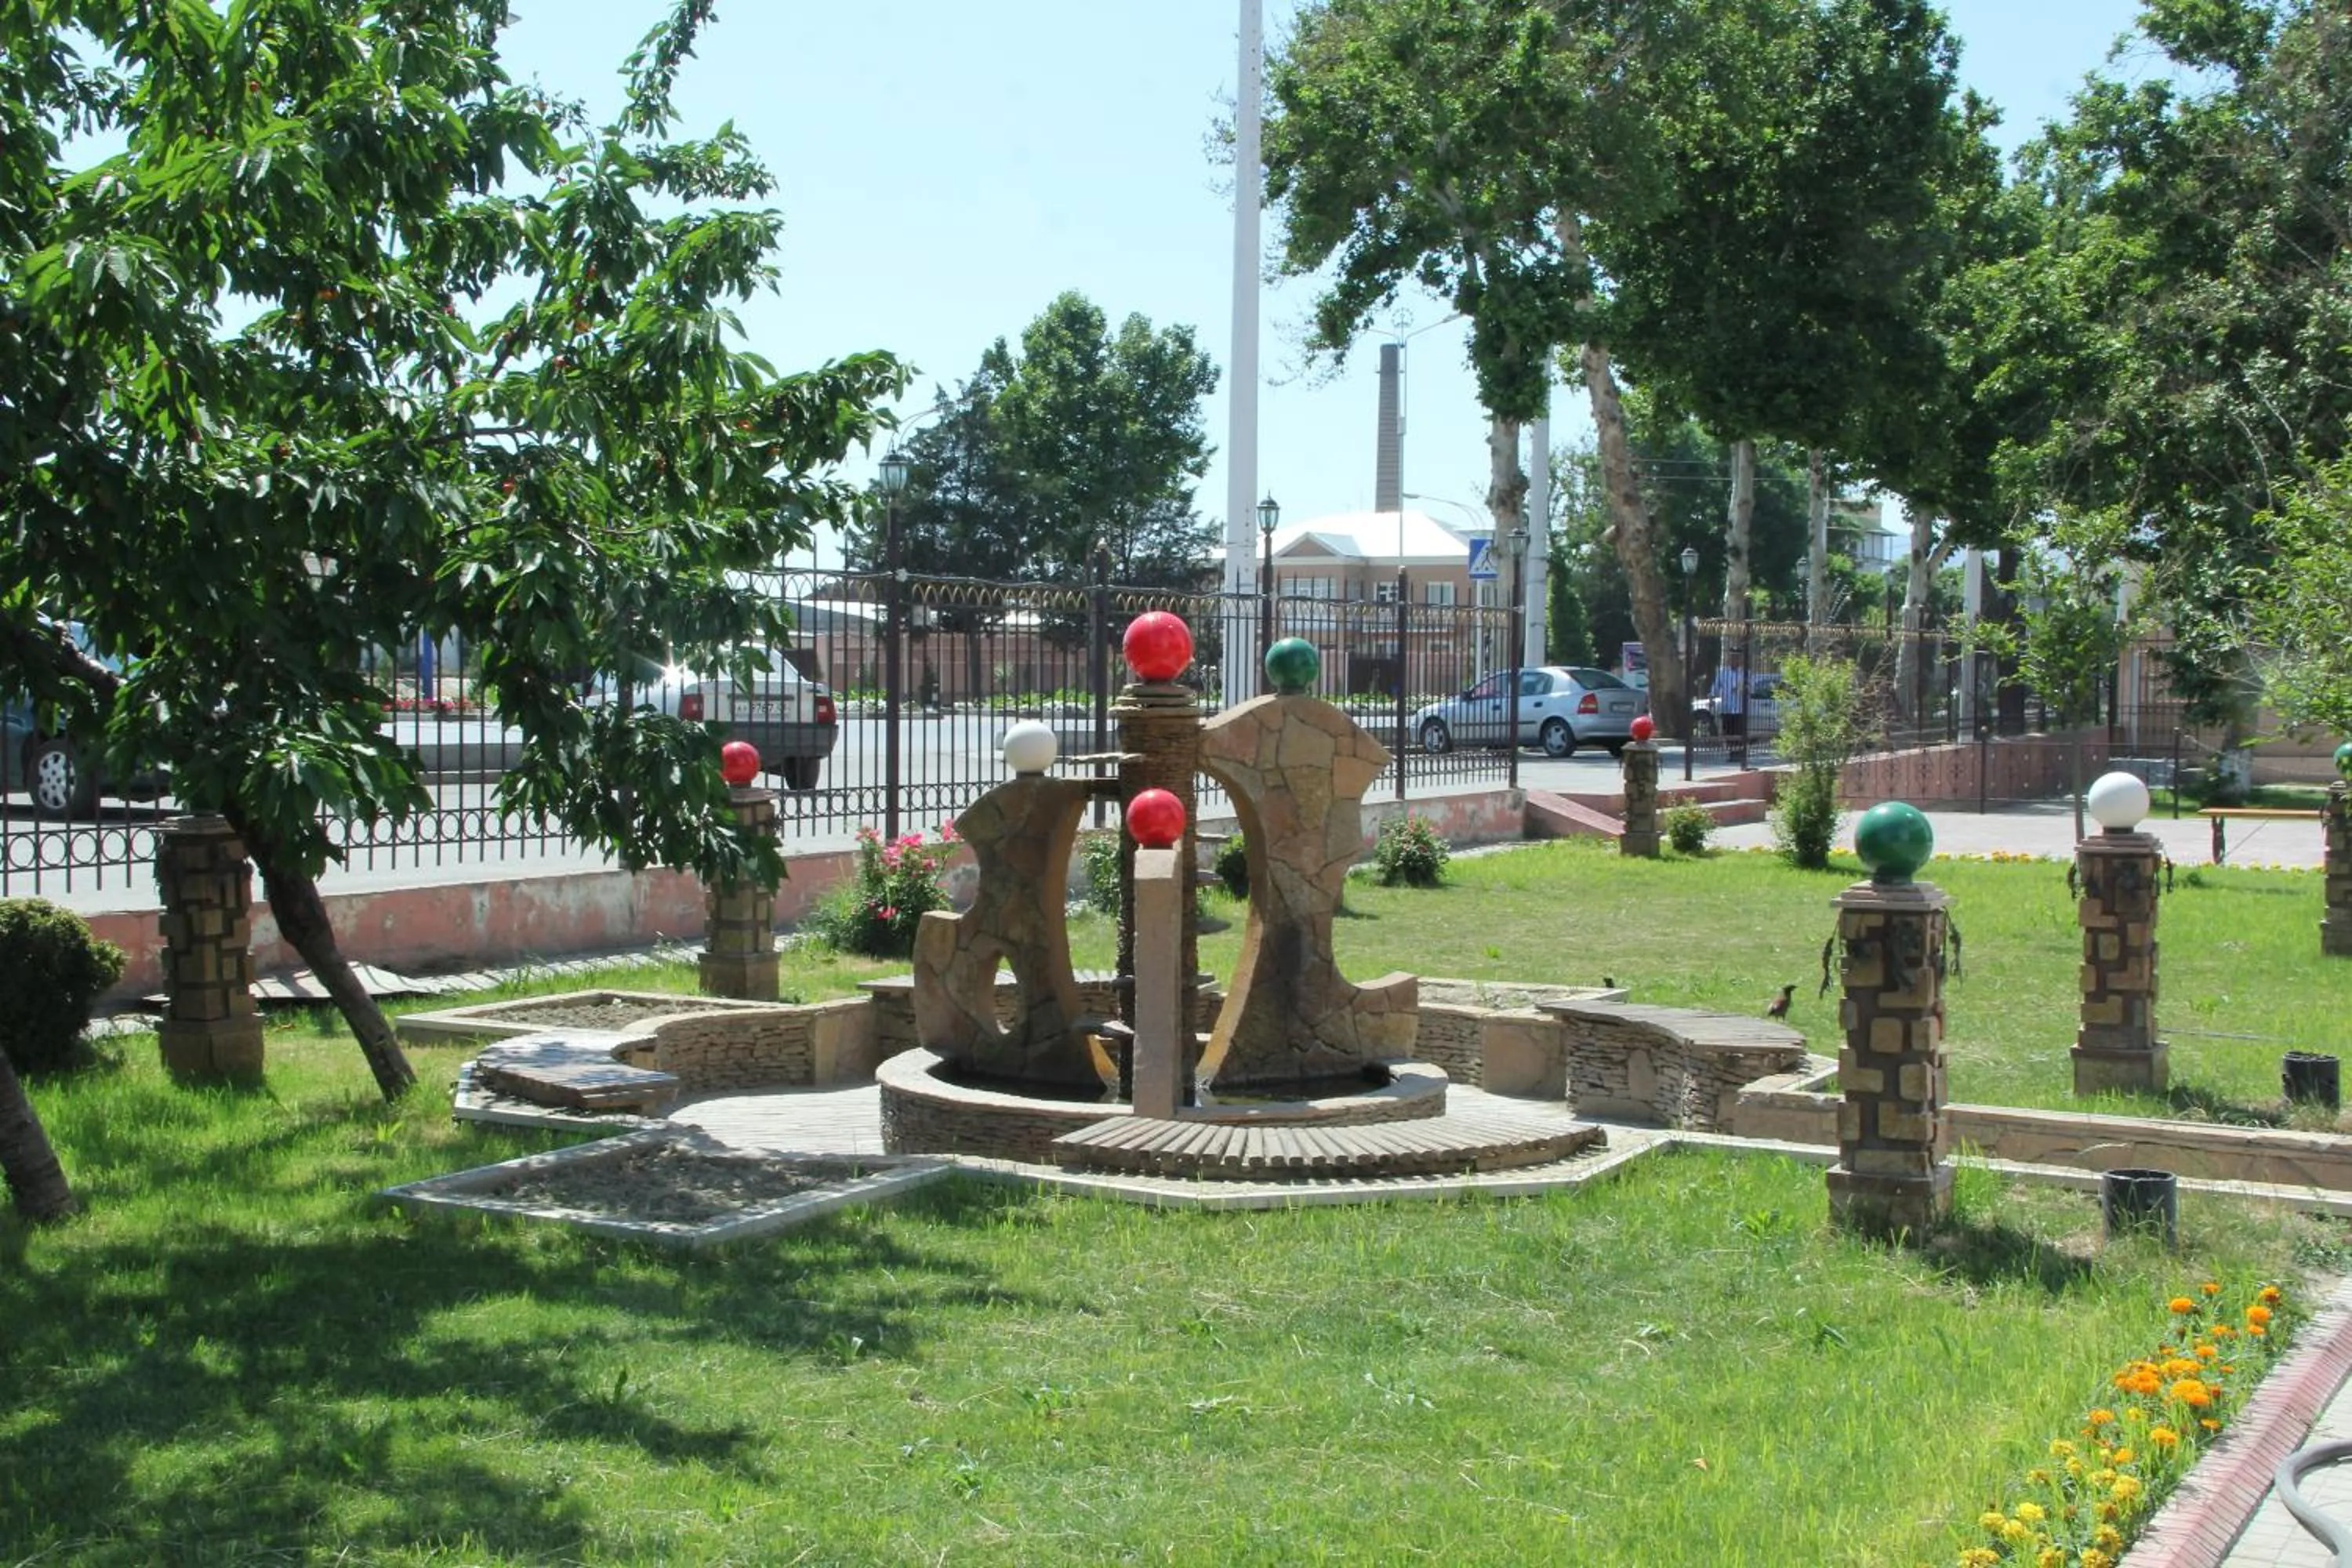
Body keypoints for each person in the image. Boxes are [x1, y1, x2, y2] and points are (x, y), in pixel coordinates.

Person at [1711, 654, 1747, 739]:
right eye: (1733, 658)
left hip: (1739, 708)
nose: (1735, 661)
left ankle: (1738, 750)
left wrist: (1742, 689)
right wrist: (1712, 697)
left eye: (1737, 659)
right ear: (1729, 660)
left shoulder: (1744, 673)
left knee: (1738, 733)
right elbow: (1716, 687)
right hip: (1727, 708)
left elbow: (1750, 687)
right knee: (1727, 731)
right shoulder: (1723, 673)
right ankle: (1730, 749)